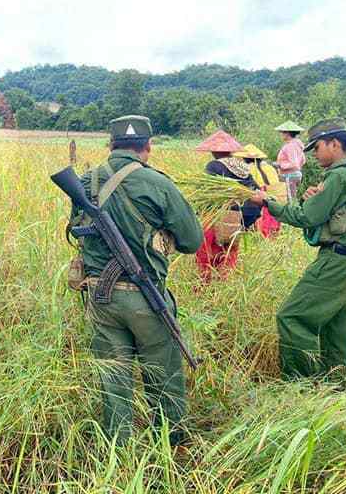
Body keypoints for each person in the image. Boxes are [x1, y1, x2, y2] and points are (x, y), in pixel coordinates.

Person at [70, 115, 203, 445]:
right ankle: (170, 446)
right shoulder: (158, 183)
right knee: (163, 375)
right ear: (148, 147)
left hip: (100, 297)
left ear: (110, 145)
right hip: (145, 298)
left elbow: (76, 227)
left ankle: (119, 450)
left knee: (114, 379)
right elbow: (191, 241)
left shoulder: (87, 181)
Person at [249, 119, 346, 380]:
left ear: (335, 144)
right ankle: (339, 389)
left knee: (292, 317)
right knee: (336, 330)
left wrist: (269, 203)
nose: (314, 154)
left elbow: (307, 217)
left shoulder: (338, 176)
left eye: (317, 147)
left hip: (336, 260)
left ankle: (302, 385)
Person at [193, 129, 260, 282]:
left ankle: (205, 282)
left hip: (220, 216)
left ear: (214, 151)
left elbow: (205, 191)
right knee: (229, 252)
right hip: (241, 218)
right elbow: (254, 190)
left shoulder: (214, 165)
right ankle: (225, 282)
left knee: (207, 252)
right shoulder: (243, 167)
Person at [233, 144, 282, 238]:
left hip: (258, 201)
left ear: (244, 158)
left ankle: (250, 228)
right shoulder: (270, 168)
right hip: (274, 200)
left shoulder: (246, 169)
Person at [275, 121, 306, 202]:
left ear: (287, 133)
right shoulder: (298, 144)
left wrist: (280, 165)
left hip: (289, 176)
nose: (281, 135)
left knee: (290, 200)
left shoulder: (290, 146)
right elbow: (303, 160)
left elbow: (294, 163)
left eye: (282, 133)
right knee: (292, 198)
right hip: (295, 174)